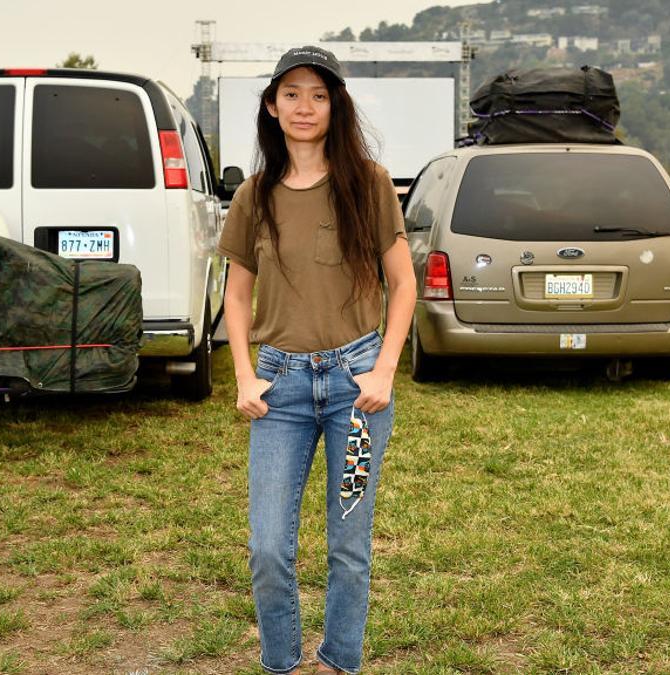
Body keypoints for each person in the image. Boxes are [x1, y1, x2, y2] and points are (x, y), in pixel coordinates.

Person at [218, 45, 416, 675]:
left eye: (319, 95)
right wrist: (246, 374)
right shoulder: (254, 195)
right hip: (280, 390)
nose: (305, 107)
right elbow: (237, 293)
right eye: (292, 94)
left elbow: (403, 284)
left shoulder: (370, 184)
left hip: (358, 391)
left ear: (336, 107)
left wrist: (384, 369)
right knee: (269, 549)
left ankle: (339, 662)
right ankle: (281, 662)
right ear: (272, 107)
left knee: (349, 546)